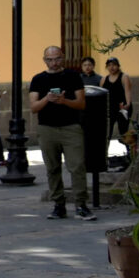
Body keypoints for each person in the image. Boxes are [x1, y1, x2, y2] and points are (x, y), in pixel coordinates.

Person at [30, 46, 90, 220]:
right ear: (44, 60)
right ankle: (58, 205)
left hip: (71, 127)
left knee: (77, 166)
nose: (54, 63)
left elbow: (81, 103)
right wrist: (46, 99)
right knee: (52, 168)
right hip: (47, 128)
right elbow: (34, 107)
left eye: (57, 58)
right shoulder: (38, 79)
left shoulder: (73, 76)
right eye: (50, 59)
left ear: (62, 58)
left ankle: (81, 204)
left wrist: (64, 101)